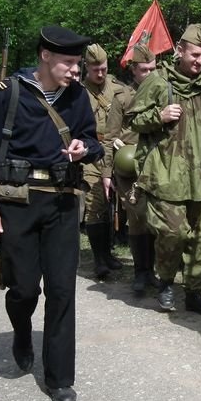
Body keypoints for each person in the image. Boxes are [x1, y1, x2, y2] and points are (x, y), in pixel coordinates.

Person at [0, 26, 101, 401]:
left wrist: (83, 148)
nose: (75, 71)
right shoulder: (6, 94)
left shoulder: (77, 97)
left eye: (78, 63)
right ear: (45, 55)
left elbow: (93, 142)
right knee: (24, 289)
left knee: (61, 291)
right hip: (16, 203)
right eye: (69, 63)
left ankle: (60, 378)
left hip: (61, 201)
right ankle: (22, 330)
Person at [127, 23, 201, 315]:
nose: (199, 61)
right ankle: (167, 284)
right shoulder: (159, 82)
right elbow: (133, 118)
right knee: (172, 233)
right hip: (166, 173)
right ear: (179, 51)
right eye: (195, 55)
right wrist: (159, 116)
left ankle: (194, 292)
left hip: (200, 175)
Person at [102, 44, 158, 295]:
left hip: (158, 166)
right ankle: (140, 273)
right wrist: (106, 173)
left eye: (153, 69)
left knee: (156, 221)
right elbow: (109, 136)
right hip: (130, 167)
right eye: (144, 69)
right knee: (136, 220)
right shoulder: (122, 98)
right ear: (134, 70)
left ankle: (153, 271)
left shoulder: (163, 93)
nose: (149, 74)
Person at [81, 43, 125, 279]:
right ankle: (99, 258)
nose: (100, 73)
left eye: (104, 68)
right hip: (91, 153)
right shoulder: (78, 93)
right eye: (95, 69)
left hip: (117, 152)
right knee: (96, 204)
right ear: (86, 67)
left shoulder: (118, 89)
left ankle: (108, 252)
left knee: (113, 205)